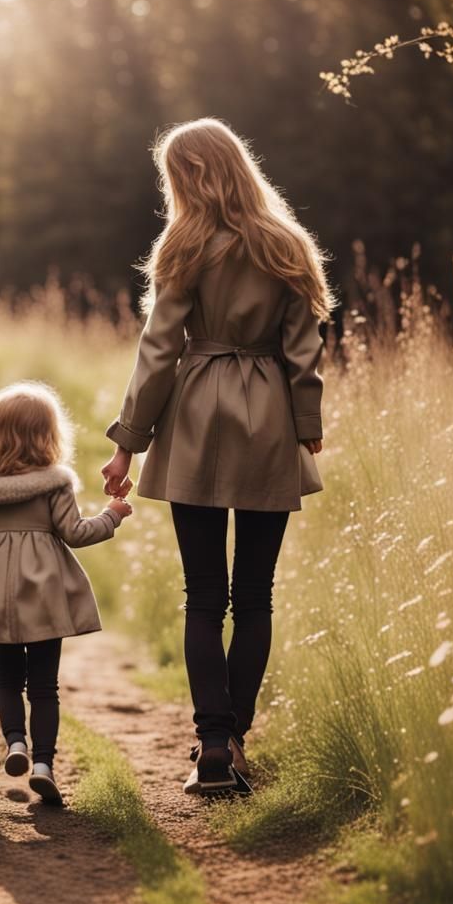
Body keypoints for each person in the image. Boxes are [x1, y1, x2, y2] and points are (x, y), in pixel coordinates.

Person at [100, 118, 333, 797]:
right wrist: (307, 423)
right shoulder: (287, 244)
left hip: (197, 415)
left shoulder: (184, 246)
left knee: (203, 595)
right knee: (254, 594)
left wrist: (127, 443)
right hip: (268, 420)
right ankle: (235, 740)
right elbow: (305, 349)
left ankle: (210, 741)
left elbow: (158, 351)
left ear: (190, 177)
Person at [0, 381, 132, 804]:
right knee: (44, 687)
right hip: (45, 600)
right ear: (49, 434)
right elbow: (76, 533)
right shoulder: (56, 486)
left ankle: (15, 742)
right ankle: (43, 765)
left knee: (6, 678)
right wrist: (112, 515)